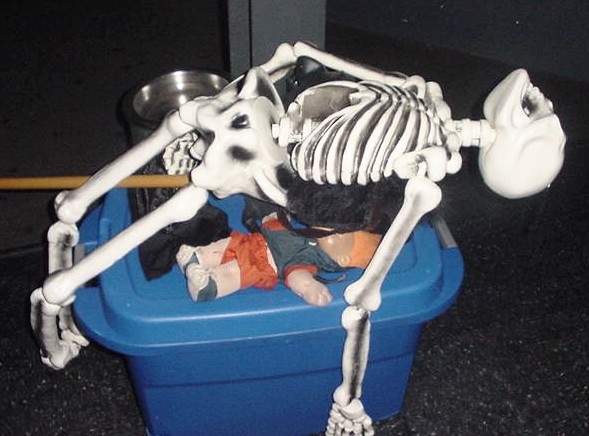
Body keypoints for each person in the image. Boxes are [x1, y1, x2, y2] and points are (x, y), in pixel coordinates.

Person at [175, 213, 382, 306]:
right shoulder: (306, 234)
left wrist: (310, 287)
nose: (332, 228)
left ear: (342, 259)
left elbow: (296, 275)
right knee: (224, 246)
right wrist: (275, 219)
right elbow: (284, 228)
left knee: (234, 273)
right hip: (252, 242)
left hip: (262, 264)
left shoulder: (308, 261)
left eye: (337, 234)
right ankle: (197, 257)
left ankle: (205, 287)